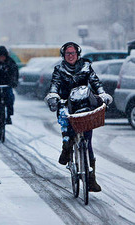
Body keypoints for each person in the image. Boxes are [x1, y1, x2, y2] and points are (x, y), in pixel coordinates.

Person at [45, 42, 113, 192]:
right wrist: (54, 96)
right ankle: (66, 148)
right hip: (66, 105)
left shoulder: (86, 67)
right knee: (68, 132)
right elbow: (54, 85)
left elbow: (95, 82)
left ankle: (91, 178)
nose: (71, 56)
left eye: (73, 53)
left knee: (87, 142)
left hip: (83, 105)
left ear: (78, 54)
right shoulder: (59, 70)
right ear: (64, 55)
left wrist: (102, 94)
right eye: (68, 53)